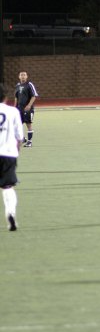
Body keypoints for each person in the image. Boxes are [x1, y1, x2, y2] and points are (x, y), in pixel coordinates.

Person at [0, 83, 24, 231]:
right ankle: (11, 213)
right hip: (8, 153)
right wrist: (17, 151)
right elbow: (19, 136)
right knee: (8, 187)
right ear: (6, 96)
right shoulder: (13, 111)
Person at [14, 71, 38, 147]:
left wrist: (29, 105)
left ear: (27, 76)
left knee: (28, 124)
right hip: (19, 109)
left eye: (24, 75)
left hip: (28, 109)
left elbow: (34, 96)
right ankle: (23, 138)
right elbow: (16, 97)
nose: (23, 76)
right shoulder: (17, 85)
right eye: (21, 75)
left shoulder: (29, 85)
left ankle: (29, 142)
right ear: (19, 77)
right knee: (17, 125)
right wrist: (15, 107)